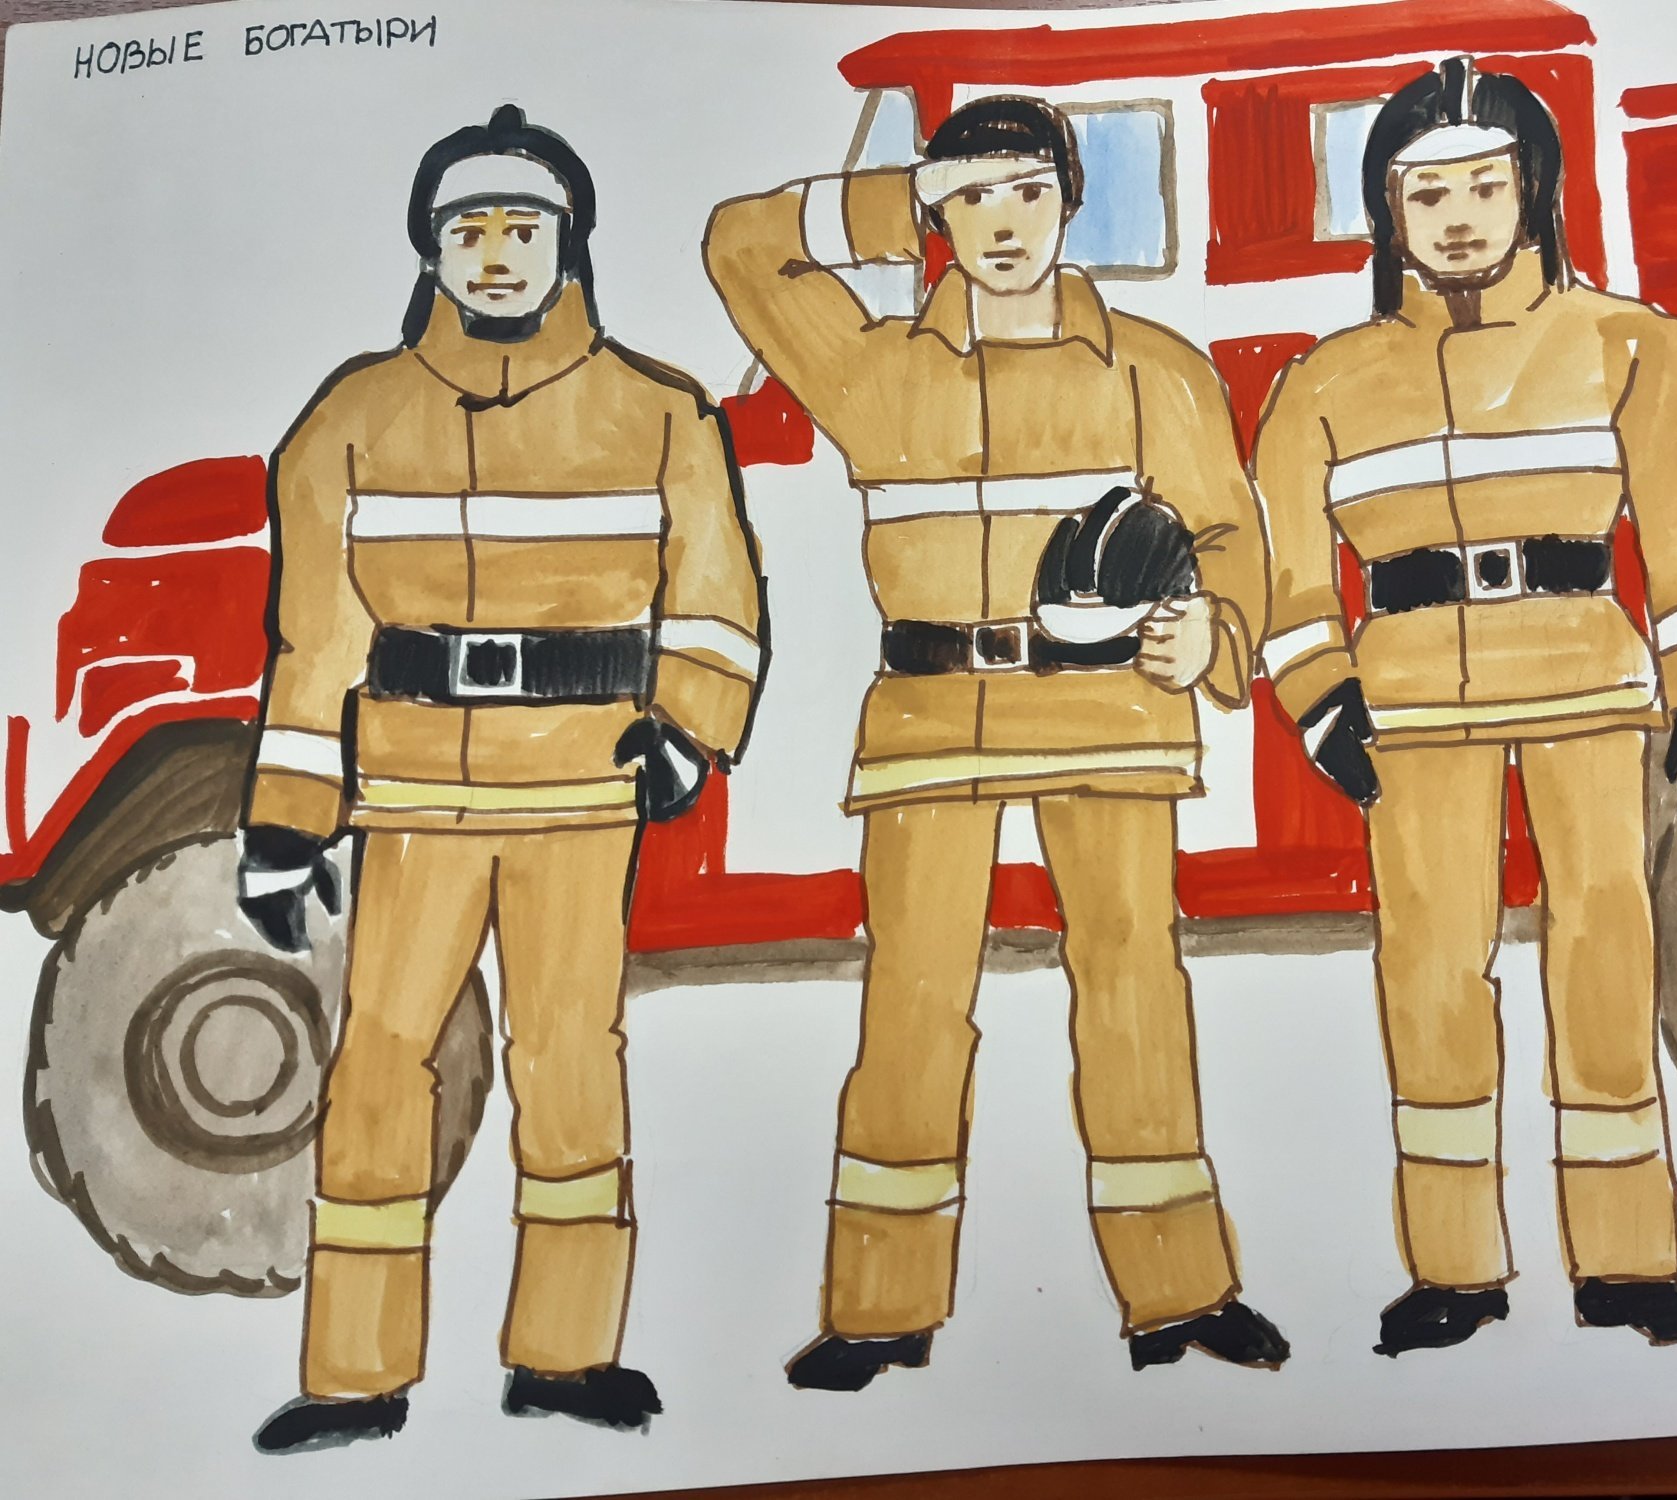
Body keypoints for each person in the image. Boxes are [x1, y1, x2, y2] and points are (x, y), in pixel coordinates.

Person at [705, 95, 1288, 1390]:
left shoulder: (1155, 370)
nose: (1002, 222)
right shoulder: (875, 371)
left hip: (1109, 714)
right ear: (936, 214)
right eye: (968, 198)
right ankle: (879, 1310)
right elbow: (742, 245)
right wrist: (892, 197)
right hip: (931, 721)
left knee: (1133, 986)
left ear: (1070, 199)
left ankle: (1182, 1294)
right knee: (914, 998)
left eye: (1026, 190)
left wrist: (1215, 626)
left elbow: (1232, 534)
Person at [244, 105, 766, 1451]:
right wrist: (286, 827)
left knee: (572, 1058)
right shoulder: (349, 419)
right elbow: (315, 640)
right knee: (379, 1058)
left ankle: (567, 1356)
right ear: (428, 248)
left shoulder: (660, 412)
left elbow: (715, 597)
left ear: (567, 242)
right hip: (415, 800)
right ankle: (353, 1375)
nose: (494, 254)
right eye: (466, 229)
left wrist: (688, 727)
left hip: (580, 789)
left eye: (521, 228)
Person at [1254, 58, 1677, 1357]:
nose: (1460, 217)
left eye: (1486, 184)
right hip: (1411, 703)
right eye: (1428, 194)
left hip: (1587, 681)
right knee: (1428, 968)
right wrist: (1319, 698)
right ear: (1388, 210)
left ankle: (1628, 1262)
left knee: (1605, 948)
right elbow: (1286, 570)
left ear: (1535, 189)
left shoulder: (1638, 345)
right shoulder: (1323, 382)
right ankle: (1454, 1269)